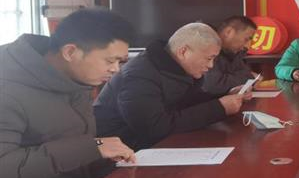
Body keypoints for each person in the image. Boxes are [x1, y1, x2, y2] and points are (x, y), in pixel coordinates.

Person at [0, 9, 136, 178]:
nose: (115, 69)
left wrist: (108, 163)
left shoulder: (74, 80)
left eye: (120, 61)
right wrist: (94, 147)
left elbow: (70, 143)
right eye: (110, 60)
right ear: (70, 52)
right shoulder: (7, 89)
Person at [94, 22, 249, 151]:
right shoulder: (139, 75)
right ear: (183, 52)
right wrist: (219, 108)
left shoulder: (179, 68)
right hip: (123, 153)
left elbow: (189, 102)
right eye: (209, 58)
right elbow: (154, 128)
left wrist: (226, 96)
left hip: (156, 146)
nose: (211, 65)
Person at [202, 15, 258, 95]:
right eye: (246, 39)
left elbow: (248, 75)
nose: (248, 46)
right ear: (229, 32)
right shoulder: (206, 45)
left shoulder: (234, 52)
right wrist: (246, 78)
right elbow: (213, 85)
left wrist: (229, 78)